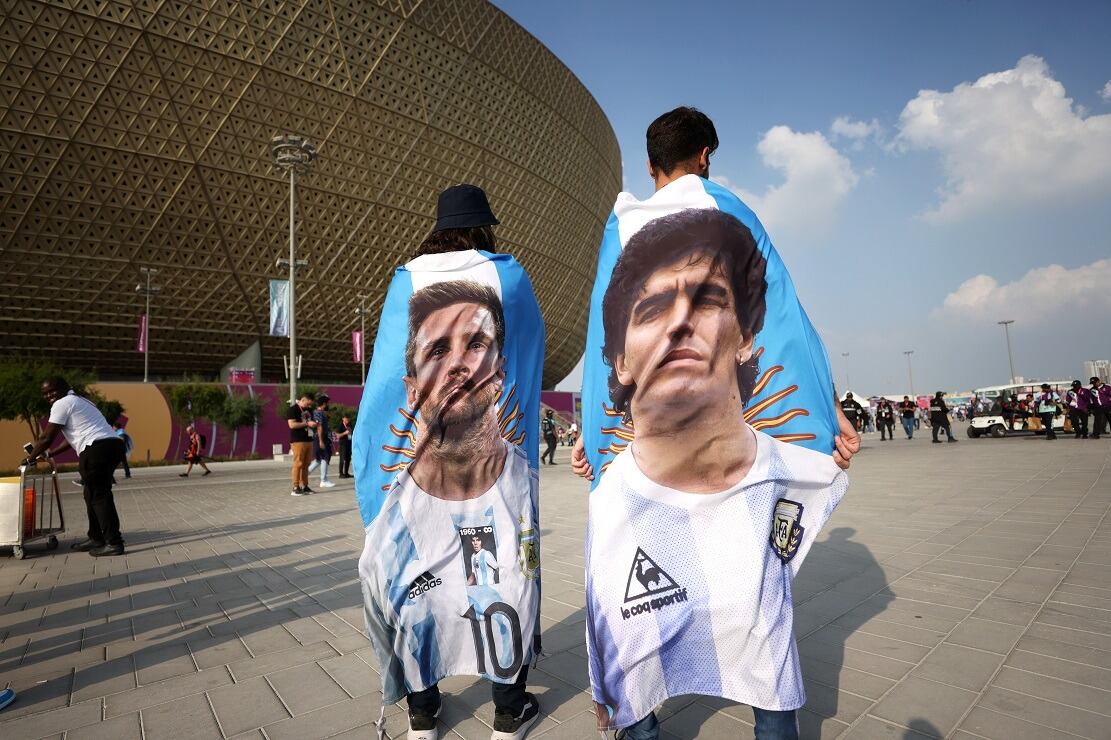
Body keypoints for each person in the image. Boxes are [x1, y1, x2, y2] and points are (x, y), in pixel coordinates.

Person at [585, 205, 848, 740]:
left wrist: (829, 422)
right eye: (652, 308)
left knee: (767, 656)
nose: (680, 322)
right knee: (633, 668)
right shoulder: (610, 498)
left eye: (706, 300)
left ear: (746, 336)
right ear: (621, 361)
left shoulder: (795, 469)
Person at [359, 279, 541, 740]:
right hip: (422, 504)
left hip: (498, 495)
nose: (458, 363)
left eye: (475, 344)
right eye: (439, 350)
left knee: (509, 591)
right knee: (415, 599)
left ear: (498, 373)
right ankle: (425, 710)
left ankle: (503, 709)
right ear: (412, 387)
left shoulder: (521, 476)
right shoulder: (395, 517)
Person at [23, 378, 126, 556]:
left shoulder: (62, 403)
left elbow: (46, 437)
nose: (48, 395)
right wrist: (49, 454)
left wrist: (29, 459)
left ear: (65, 388)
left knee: (99, 495)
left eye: (52, 391)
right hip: (112, 445)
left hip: (96, 448)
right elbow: (72, 438)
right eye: (45, 393)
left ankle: (114, 543)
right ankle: (96, 538)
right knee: (91, 493)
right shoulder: (81, 401)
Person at [286, 392, 317, 496]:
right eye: (308, 403)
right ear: (303, 400)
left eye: (310, 404)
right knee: (298, 463)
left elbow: (310, 422)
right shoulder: (293, 409)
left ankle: (305, 486)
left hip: (309, 439)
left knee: (306, 464)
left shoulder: (309, 410)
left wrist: (314, 424)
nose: (309, 406)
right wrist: (307, 423)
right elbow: (292, 425)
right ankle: (295, 487)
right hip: (298, 440)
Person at [310, 393, 335, 488]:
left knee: (318, 460)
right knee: (324, 458)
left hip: (323, 438)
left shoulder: (320, 413)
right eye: (327, 403)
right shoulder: (318, 413)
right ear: (324, 403)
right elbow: (319, 427)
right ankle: (323, 480)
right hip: (321, 438)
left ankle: (303, 476)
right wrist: (321, 441)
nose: (328, 404)